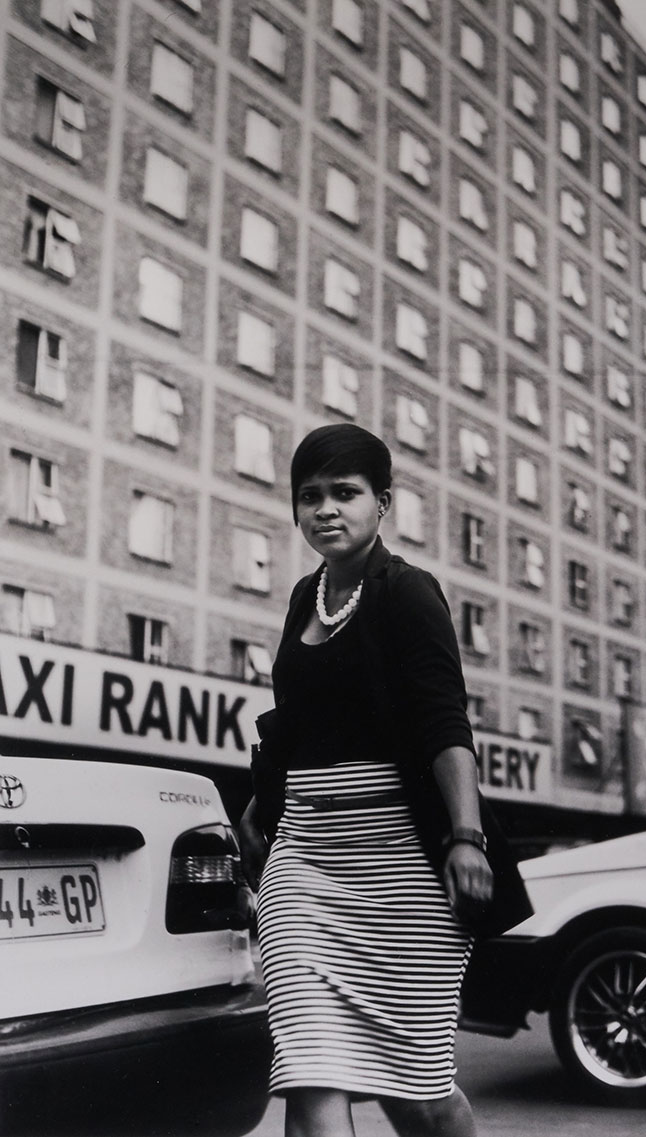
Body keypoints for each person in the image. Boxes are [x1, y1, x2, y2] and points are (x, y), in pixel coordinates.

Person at [239, 423, 530, 1137]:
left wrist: (466, 837)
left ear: (383, 502)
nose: (326, 509)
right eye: (310, 496)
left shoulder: (407, 593)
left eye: (346, 492)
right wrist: (257, 807)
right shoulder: (304, 598)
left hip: (401, 865)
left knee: (417, 1089)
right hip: (304, 864)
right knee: (311, 1066)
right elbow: (297, 721)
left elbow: (443, 722)